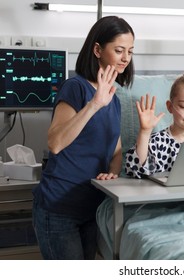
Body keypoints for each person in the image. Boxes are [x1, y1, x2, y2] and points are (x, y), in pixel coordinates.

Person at [32, 16, 135, 259]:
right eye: (119, 50)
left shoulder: (114, 100)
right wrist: (94, 104)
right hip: (59, 209)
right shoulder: (76, 88)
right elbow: (55, 143)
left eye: (130, 51)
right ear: (97, 49)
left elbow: (116, 150)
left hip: (93, 208)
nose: (125, 58)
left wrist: (113, 172)